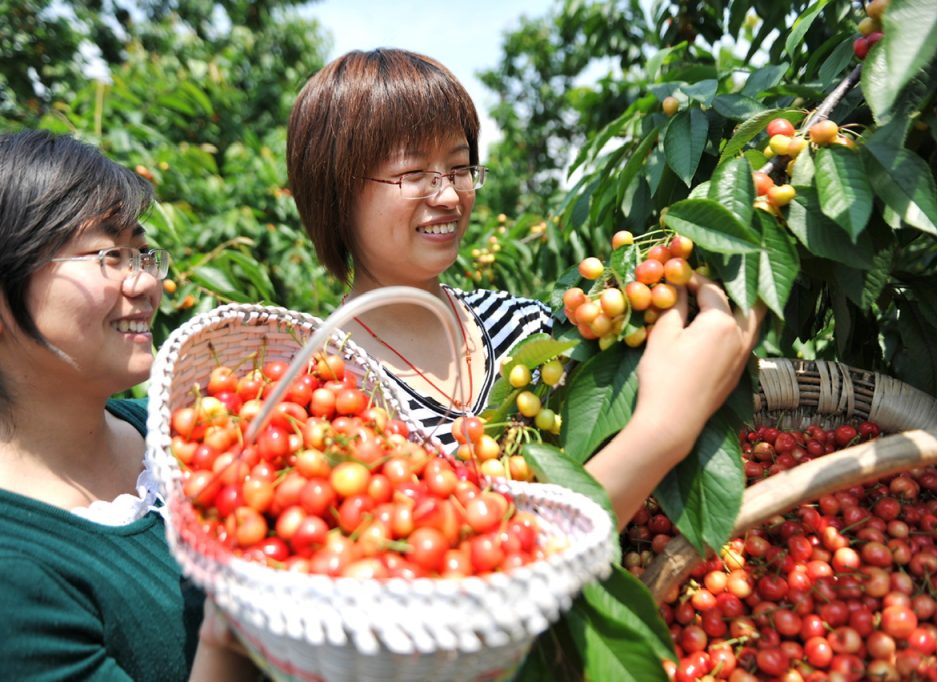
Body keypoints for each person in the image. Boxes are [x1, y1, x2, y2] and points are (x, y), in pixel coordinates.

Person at [286, 48, 764, 529]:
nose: (451, 196)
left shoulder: (526, 327)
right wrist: (665, 428)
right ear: (336, 190)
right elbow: (478, 572)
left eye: (459, 168)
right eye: (414, 175)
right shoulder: (320, 390)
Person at [0, 131, 255, 681]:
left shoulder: (175, 435)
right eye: (108, 256)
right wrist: (246, 609)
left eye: (142, 252)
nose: (146, 282)